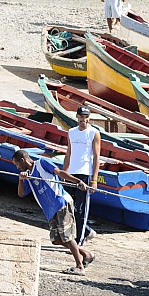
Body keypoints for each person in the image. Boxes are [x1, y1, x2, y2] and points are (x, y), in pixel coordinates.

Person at [12, 149, 95, 276]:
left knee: (68, 236)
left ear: (22, 160)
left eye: (16, 164)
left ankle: (79, 266)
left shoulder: (42, 163)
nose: (17, 167)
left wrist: (78, 182)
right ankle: (85, 254)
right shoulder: (27, 175)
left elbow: (60, 173)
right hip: (50, 210)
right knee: (56, 239)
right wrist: (21, 180)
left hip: (61, 203)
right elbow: (21, 194)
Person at [64, 105, 101, 245]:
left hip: (85, 173)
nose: (83, 120)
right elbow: (68, 153)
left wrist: (94, 179)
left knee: (81, 210)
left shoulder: (93, 133)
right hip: (71, 173)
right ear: (77, 117)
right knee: (69, 207)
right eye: (81, 117)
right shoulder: (71, 132)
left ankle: (80, 240)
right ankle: (86, 231)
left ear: (89, 118)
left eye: (86, 117)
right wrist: (64, 172)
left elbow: (97, 156)